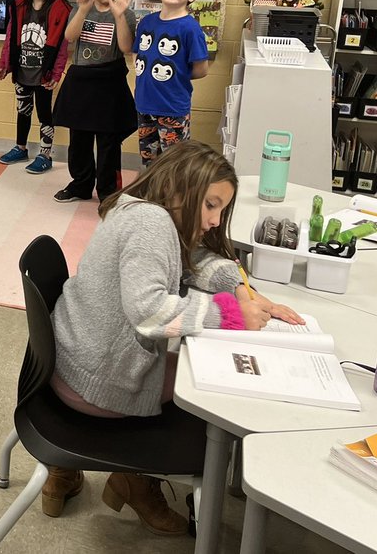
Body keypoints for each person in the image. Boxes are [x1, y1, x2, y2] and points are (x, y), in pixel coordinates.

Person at [41, 142, 303, 532]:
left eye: (221, 209)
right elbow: (150, 314)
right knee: (214, 395)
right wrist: (232, 317)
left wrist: (240, 289)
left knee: (198, 364)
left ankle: (65, 470)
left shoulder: (135, 206)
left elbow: (192, 260)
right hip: (99, 382)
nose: (215, 221)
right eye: (210, 205)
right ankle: (137, 479)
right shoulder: (152, 225)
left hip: (70, 362)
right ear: (180, 190)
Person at [51, 0, 138, 202]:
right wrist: (83, 9)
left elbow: (125, 48)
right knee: (78, 139)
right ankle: (80, 184)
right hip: (81, 81)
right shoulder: (82, 9)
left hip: (109, 82)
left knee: (109, 141)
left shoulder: (126, 14)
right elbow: (69, 36)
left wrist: (120, 16)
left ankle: (108, 191)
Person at [0, 0, 72, 173]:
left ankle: (45, 154)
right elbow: (11, 36)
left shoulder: (61, 8)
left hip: (43, 74)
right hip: (22, 71)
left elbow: (62, 46)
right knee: (23, 111)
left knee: (44, 114)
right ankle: (20, 148)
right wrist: (5, 63)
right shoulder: (19, 5)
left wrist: (56, 73)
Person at [134, 0, 209, 167]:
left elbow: (201, 70)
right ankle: (152, 195)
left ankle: (173, 198)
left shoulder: (190, 28)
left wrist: (176, 75)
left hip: (172, 107)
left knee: (173, 163)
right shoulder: (146, 23)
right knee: (149, 160)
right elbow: (140, 57)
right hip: (144, 104)